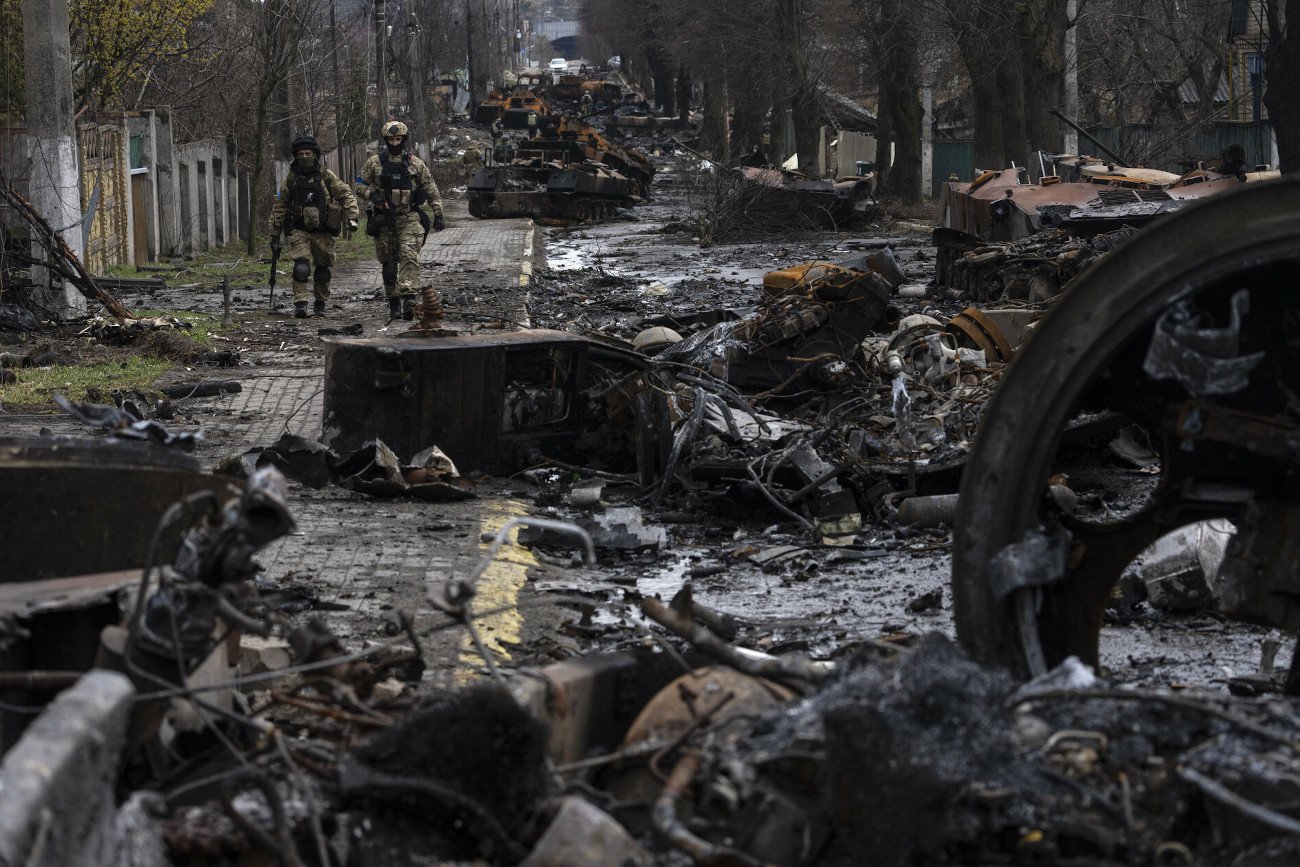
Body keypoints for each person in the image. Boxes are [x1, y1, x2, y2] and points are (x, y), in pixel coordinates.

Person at [356, 120, 446, 321]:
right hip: (384, 219)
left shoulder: (415, 163)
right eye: (391, 139)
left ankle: (409, 299)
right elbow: (359, 185)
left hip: (409, 217)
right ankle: (394, 303)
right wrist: (373, 196)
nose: (394, 143)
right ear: (385, 140)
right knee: (388, 263)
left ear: (404, 140)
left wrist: (438, 213)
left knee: (408, 255)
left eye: (398, 139)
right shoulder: (374, 163)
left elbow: (431, 188)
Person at [270, 135, 359, 319]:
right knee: (301, 267)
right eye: (300, 154)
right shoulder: (292, 178)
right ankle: (301, 304)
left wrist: (353, 217)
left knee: (322, 270)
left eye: (307, 153)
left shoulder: (326, 176)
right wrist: (275, 231)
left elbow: (345, 194)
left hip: (323, 231)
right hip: (299, 230)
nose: (304, 157)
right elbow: (281, 204)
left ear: (315, 154)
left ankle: (320, 303)